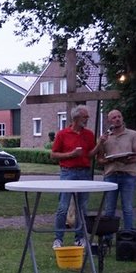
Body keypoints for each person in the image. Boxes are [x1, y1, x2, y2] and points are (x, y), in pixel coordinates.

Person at [50, 105, 104, 248]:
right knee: (63, 207)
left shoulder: (89, 134)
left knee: (82, 207)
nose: (87, 119)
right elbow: (53, 154)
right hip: (68, 172)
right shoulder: (63, 134)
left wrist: (99, 144)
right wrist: (71, 154)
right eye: (85, 117)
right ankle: (58, 239)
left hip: (84, 172)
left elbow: (90, 155)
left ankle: (79, 238)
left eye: (87, 117)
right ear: (76, 118)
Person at [97, 109, 136, 233]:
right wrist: (109, 159)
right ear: (109, 121)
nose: (117, 119)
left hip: (128, 174)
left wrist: (127, 160)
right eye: (114, 118)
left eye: (119, 116)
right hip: (111, 175)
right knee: (109, 208)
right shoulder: (105, 137)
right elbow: (100, 159)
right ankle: (107, 237)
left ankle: (129, 235)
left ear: (122, 118)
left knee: (127, 207)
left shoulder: (132, 134)